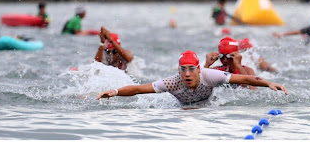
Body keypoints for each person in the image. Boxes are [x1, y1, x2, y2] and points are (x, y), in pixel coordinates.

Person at [97, 50, 288, 105]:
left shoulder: (210, 75)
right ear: (179, 70)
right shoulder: (172, 82)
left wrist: (269, 83)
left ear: (198, 69)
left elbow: (246, 80)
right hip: (184, 107)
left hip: (207, 103)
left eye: (191, 69)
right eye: (183, 69)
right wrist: (113, 92)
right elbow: (138, 89)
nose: (186, 74)